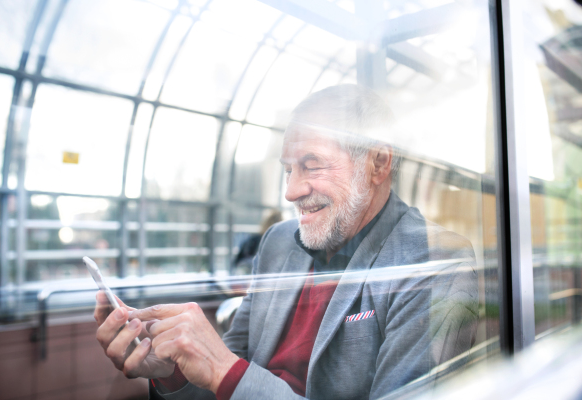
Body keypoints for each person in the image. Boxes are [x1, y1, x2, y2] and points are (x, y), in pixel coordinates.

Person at [94, 84, 478, 400]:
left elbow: (230, 374)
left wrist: (225, 370)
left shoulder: (435, 262)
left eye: (312, 164)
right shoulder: (279, 243)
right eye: (288, 169)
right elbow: (225, 381)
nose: (291, 192)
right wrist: (172, 374)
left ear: (378, 163)